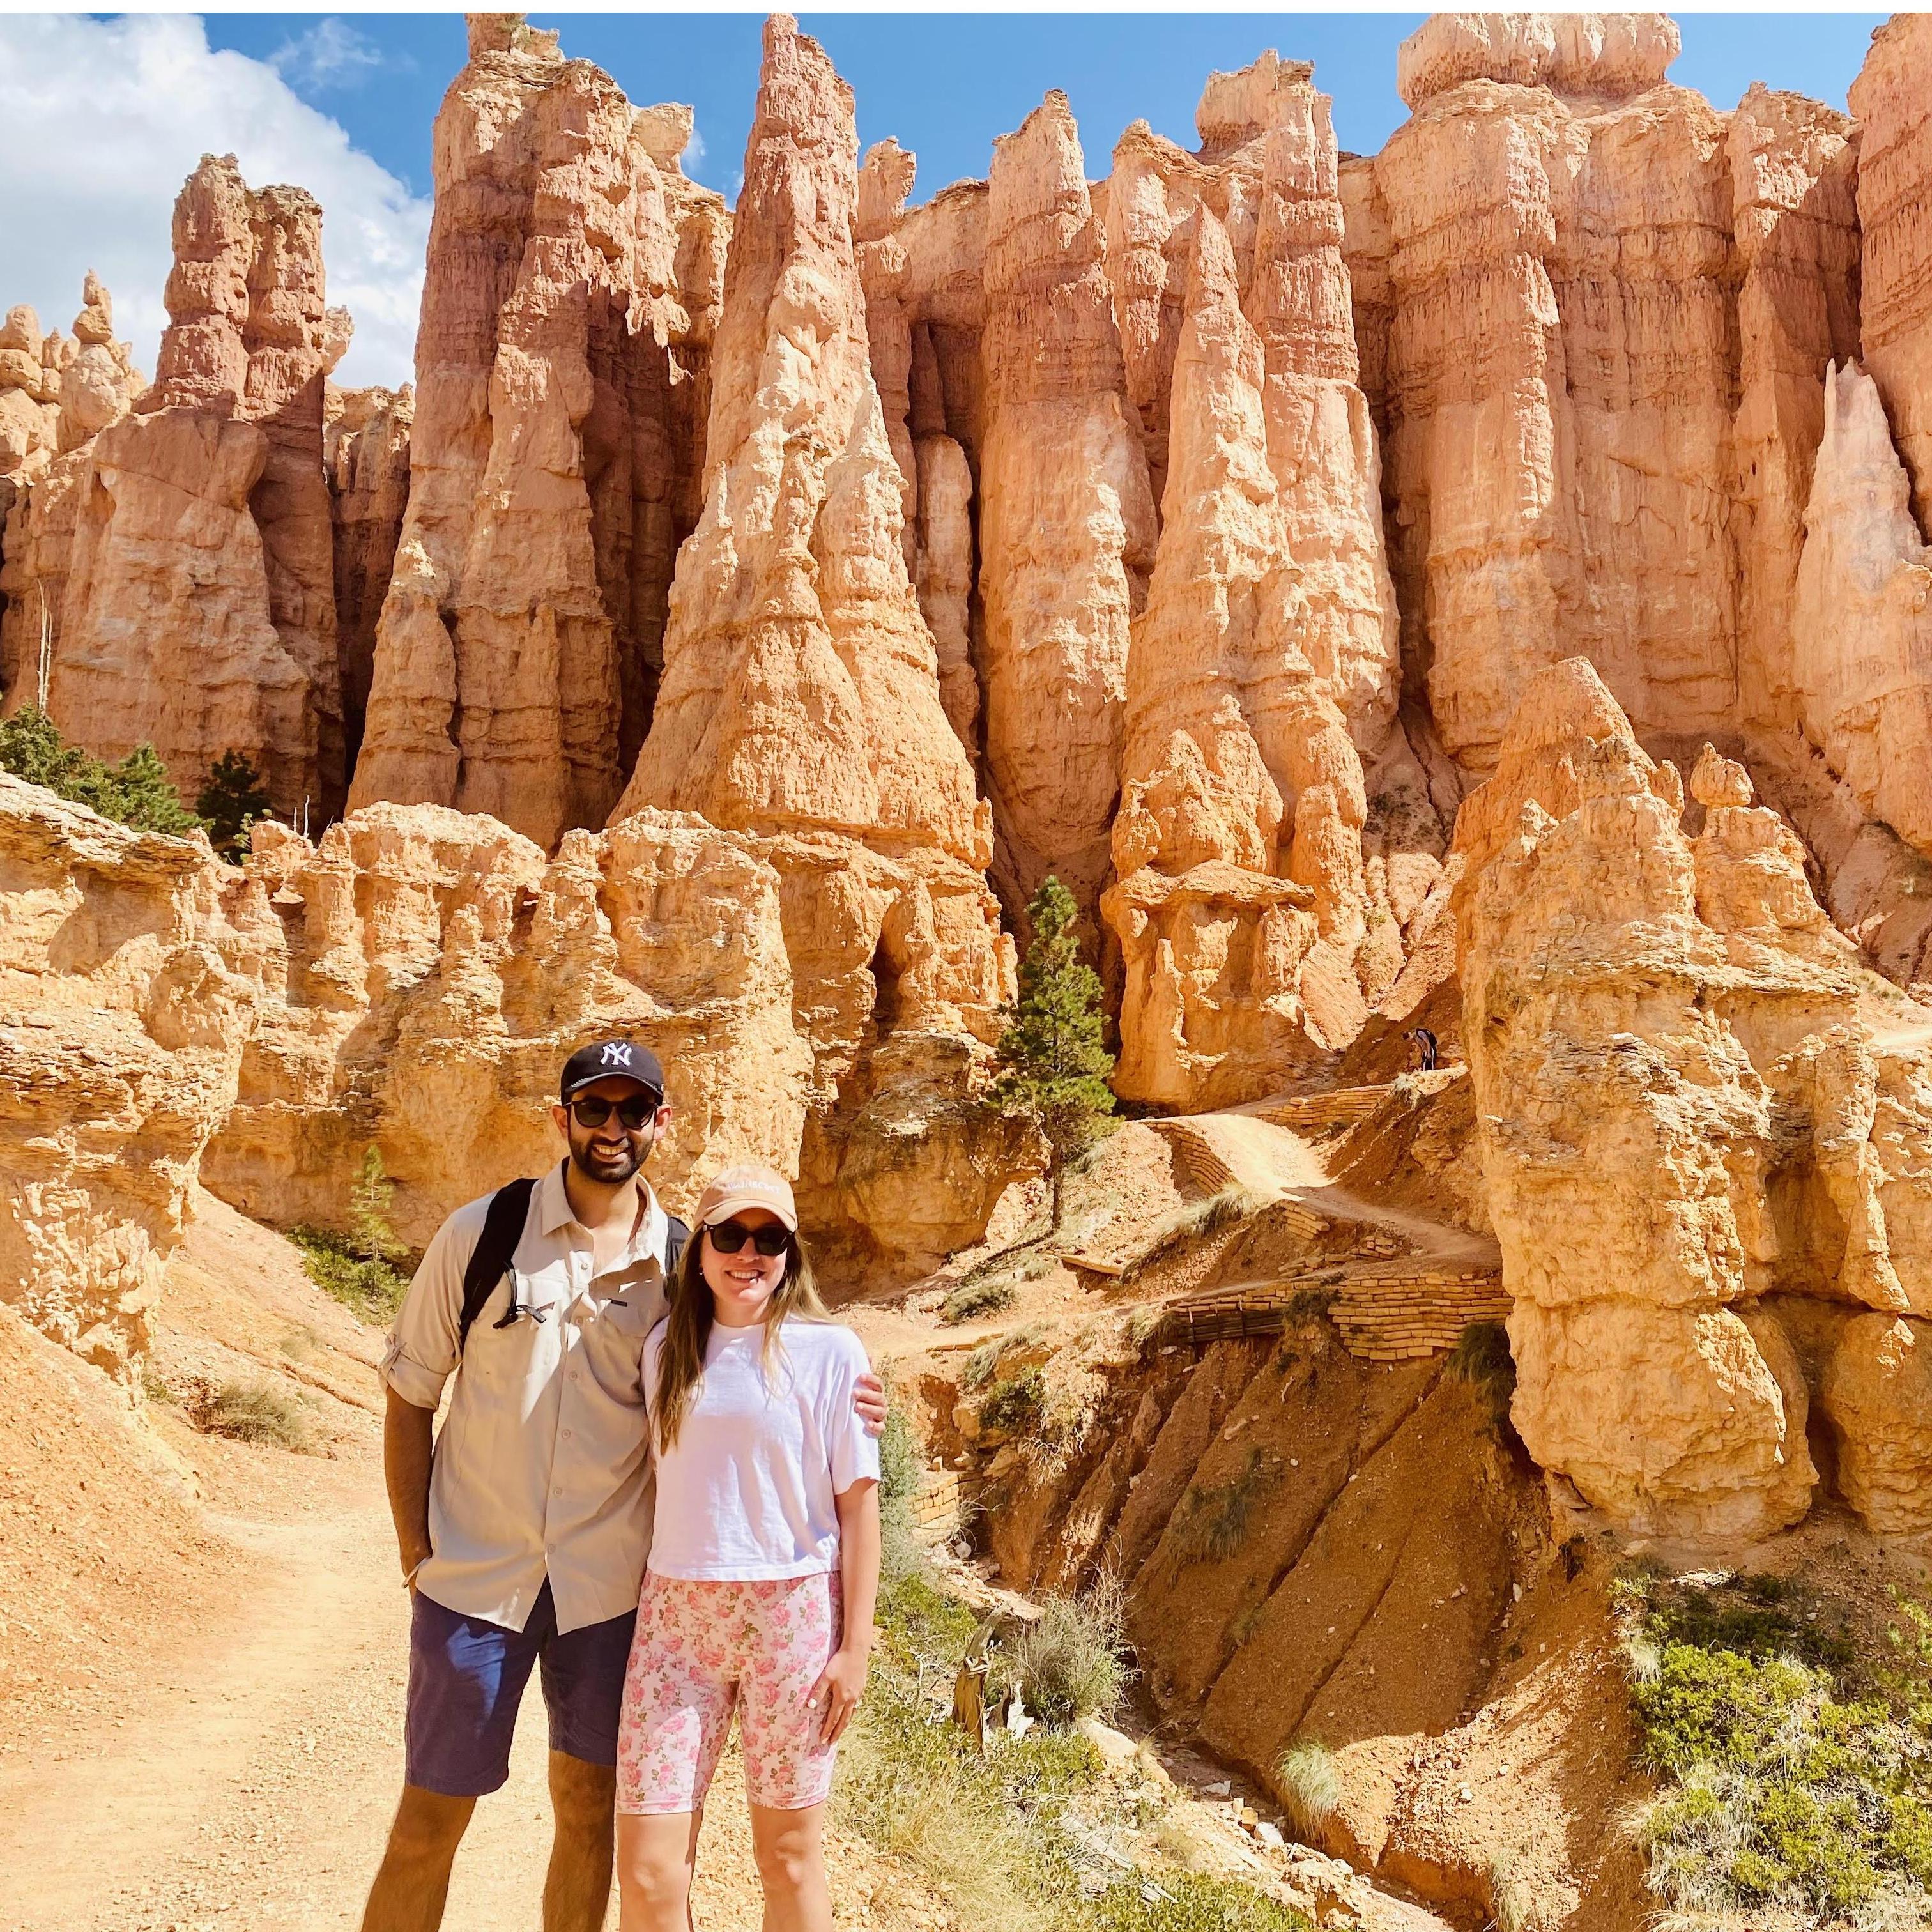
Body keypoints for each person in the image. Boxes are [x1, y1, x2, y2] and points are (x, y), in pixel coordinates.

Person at [362, 1042, 887, 1932]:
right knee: (427, 1821)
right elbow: (411, 1393)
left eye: (632, 1111)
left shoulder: (680, 1264)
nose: (613, 1128)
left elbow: (762, 1353)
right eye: (594, 1109)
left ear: (659, 1125)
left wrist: (863, 1393)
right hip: (475, 1583)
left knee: (589, 1816)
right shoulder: (482, 1236)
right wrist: (416, 1549)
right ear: (560, 1116)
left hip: (606, 1597)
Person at [615, 1165, 881, 1932]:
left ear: (791, 1253)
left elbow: (860, 1512)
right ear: (698, 1249)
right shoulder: (663, 1349)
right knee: (648, 1868)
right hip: (675, 1618)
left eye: (770, 1238)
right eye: (730, 1235)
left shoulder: (833, 1354)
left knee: (790, 1858)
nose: (749, 1253)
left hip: (791, 1618)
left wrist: (854, 1650)